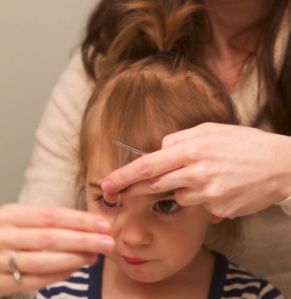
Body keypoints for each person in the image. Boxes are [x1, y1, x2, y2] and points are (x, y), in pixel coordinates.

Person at [0, 0, 290, 296]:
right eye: (109, 201)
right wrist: (13, 269)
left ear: (219, 200)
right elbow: (22, 262)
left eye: (165, 205)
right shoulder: (57, 291)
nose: (134, 238)